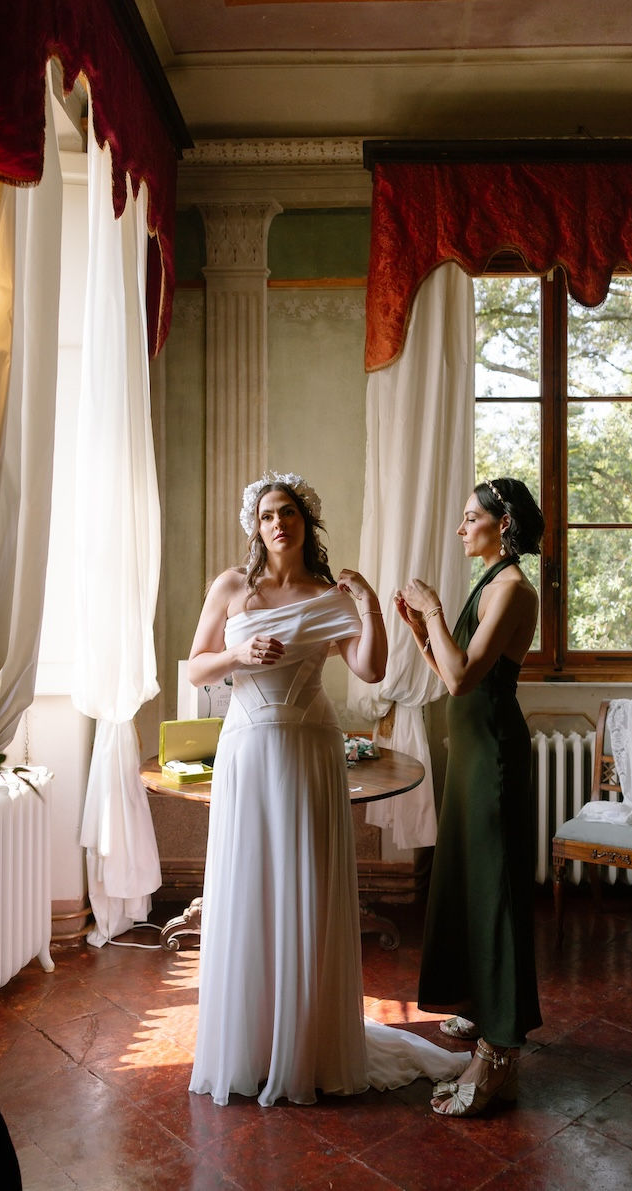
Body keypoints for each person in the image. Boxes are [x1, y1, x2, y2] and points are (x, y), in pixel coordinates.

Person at [187, 472, 470, 1106]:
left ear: (305, 523)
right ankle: (251, 1042)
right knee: (248, 884)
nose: (277, 524)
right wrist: (239, 657)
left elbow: (370, 667)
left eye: (287, 513)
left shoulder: (329, 594)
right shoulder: (232, 587)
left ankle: (308, 1039)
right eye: (266, 516)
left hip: (309, 747)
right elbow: (197, 663)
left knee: (305, 886)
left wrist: (368, 603)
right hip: (246, 747)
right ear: (255, 526)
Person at [395, 477, 545, 1118]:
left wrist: (431, 608)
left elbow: (463, 683)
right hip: (473, 754)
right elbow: (452, 672)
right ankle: (482, 1006)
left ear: (501, 524)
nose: (461, 529)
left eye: (469, 519)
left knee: (499, 894)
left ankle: (499, 1059)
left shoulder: (512, 589)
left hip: (497, 760)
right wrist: (424, 634)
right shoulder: (489, 582)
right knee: (472, 883)